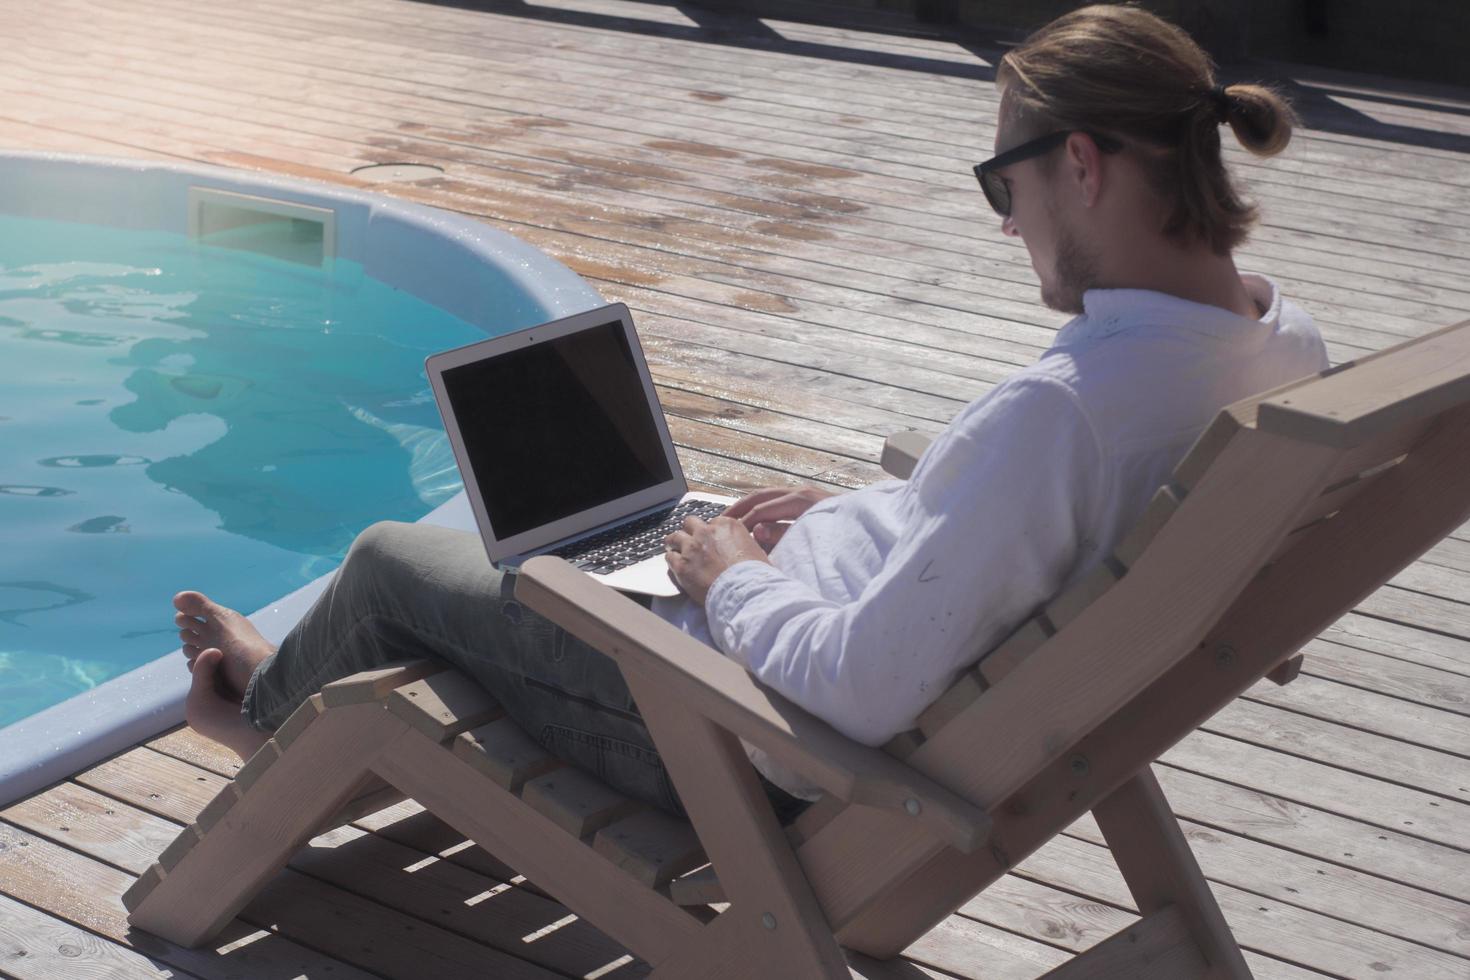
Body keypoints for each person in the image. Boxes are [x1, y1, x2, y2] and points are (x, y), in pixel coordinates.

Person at [175, 5, 1326, 817]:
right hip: (852, 619)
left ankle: (260, 713)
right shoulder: (1281, 344)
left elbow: (863, 691)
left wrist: (727, 575)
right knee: (567, 542)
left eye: (1003, 184)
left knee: (389, 561)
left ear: (1081, 165)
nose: (1004, 221)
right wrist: (904, 508)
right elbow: (1018, 533)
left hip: (741, 736)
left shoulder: (1066, 413)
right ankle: (325, 702)